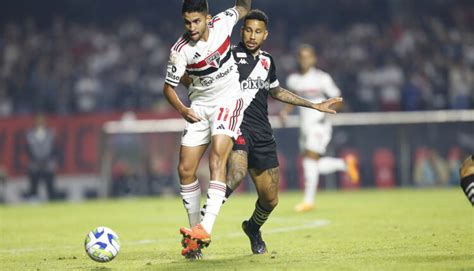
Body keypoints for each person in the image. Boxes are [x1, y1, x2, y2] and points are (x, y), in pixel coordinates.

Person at [191, 10, 341, 256]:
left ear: (265, 35)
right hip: (234, 125)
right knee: (237, 173)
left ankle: (252, 227)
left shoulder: (267, 61)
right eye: (248, 30)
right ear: (242, 31)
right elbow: (198, 69)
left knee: (270, 200)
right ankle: (203, 227)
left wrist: (313, 104)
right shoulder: (227, 54)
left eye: (257, 31)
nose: (252, 36)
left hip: (263, 132)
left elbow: (277, 91)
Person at [162, 0, 251, 258]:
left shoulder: (222, 22)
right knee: (185, 169)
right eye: (187, 22)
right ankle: (194, 237)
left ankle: (206, 227)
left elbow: (243, 7)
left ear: (207, 18)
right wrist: (183, 109)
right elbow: (168, 88)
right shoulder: (180, 50)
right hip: (199, 106)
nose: (191, 27)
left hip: (228, 100)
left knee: (216, 159)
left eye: (196, 21)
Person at [280, 44, 360, 212]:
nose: (304, 59)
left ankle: (308, 201)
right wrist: (285, 112)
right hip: (304, 126)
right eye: (302, 56)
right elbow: (291, 99)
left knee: (310, 160)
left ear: (314, 59)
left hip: (319, 124)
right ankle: (344, 164)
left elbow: (338, 99)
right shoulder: (294, 79)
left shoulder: (322, 78)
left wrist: (327, 113)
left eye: (308, 56)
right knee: (311, 163)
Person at [24, 113, 58, 201]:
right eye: (38, 121)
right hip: (35, 164)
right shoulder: (30, 134)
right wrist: (35, 160)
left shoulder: (50, 133)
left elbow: (54, 148)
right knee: (34, 185)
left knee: (50, 185)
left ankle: (52, 200)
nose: (40, 123)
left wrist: (47, 160)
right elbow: (28, 149)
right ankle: (33, 200)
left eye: (42, 121)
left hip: (48, 163)